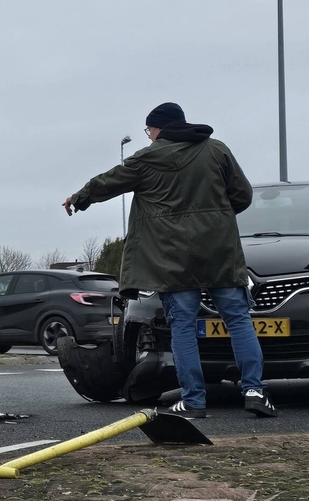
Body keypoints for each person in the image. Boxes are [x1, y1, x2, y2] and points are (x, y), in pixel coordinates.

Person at [62, 102, 276, 418]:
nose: (148, 137)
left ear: (160, 127)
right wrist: (214, 216)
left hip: (173, 258)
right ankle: (255, 391)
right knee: (239, 319)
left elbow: (108, 182)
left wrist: (79, 198)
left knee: (183, 328)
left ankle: (193, 400)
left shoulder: (147, 158)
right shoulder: (216, 150)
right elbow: (242, 196)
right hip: (220, 251)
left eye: (149, 130)